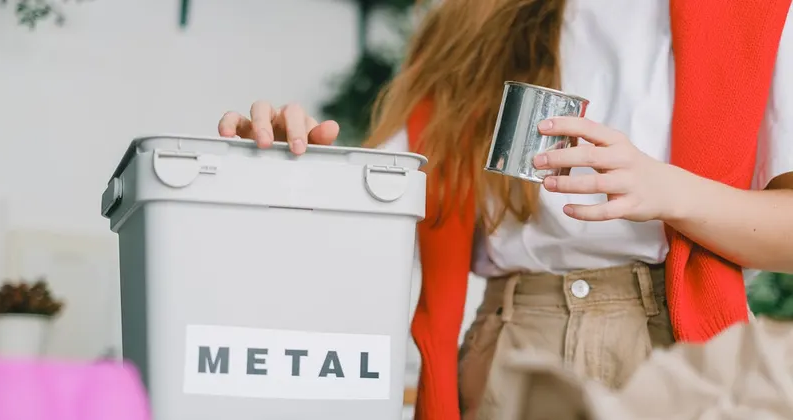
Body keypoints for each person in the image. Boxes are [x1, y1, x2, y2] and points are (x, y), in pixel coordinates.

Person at [218, 0, 793, 419]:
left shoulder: (761, 13)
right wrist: (289, 165)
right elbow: (375, 206)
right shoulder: (471, 20)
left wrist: (673, 191)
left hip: (674, 347)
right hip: (514, 346)